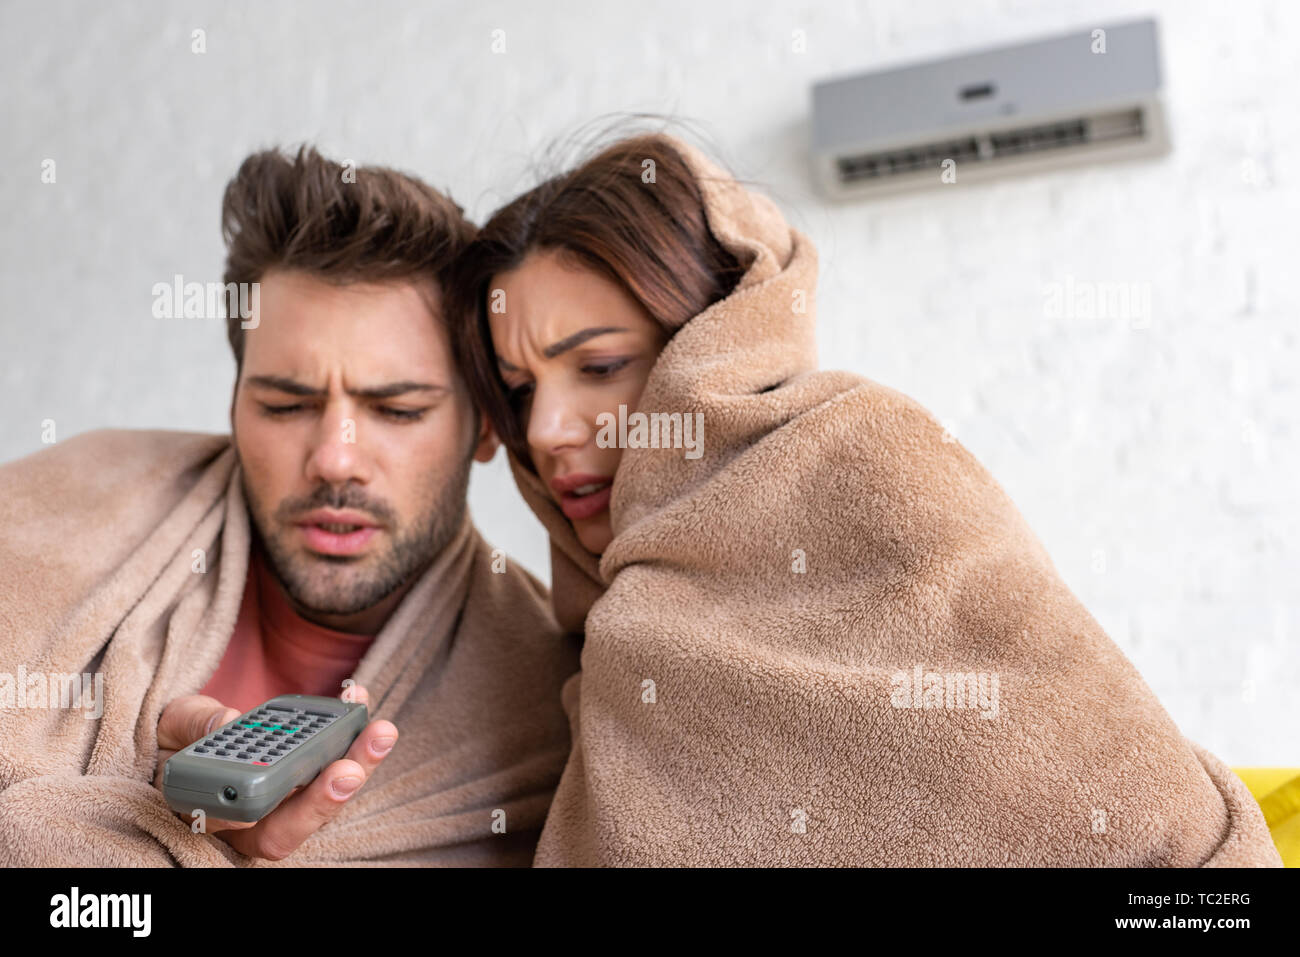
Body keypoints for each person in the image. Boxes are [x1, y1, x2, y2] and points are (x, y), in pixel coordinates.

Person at [450, 130, 1283, 866]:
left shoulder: (870, 458)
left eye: (599, 367)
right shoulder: (596, 640)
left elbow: (1132, 813)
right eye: (520, 392)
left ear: (712, 342)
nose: (552, 429)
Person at [0, 146, 579, 866]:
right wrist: (159, 799)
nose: (334, 458)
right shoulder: (68, 502)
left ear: (485, 423)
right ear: (236, 400)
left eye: (396, 409)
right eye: (286, 403)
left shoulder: (549, 722)